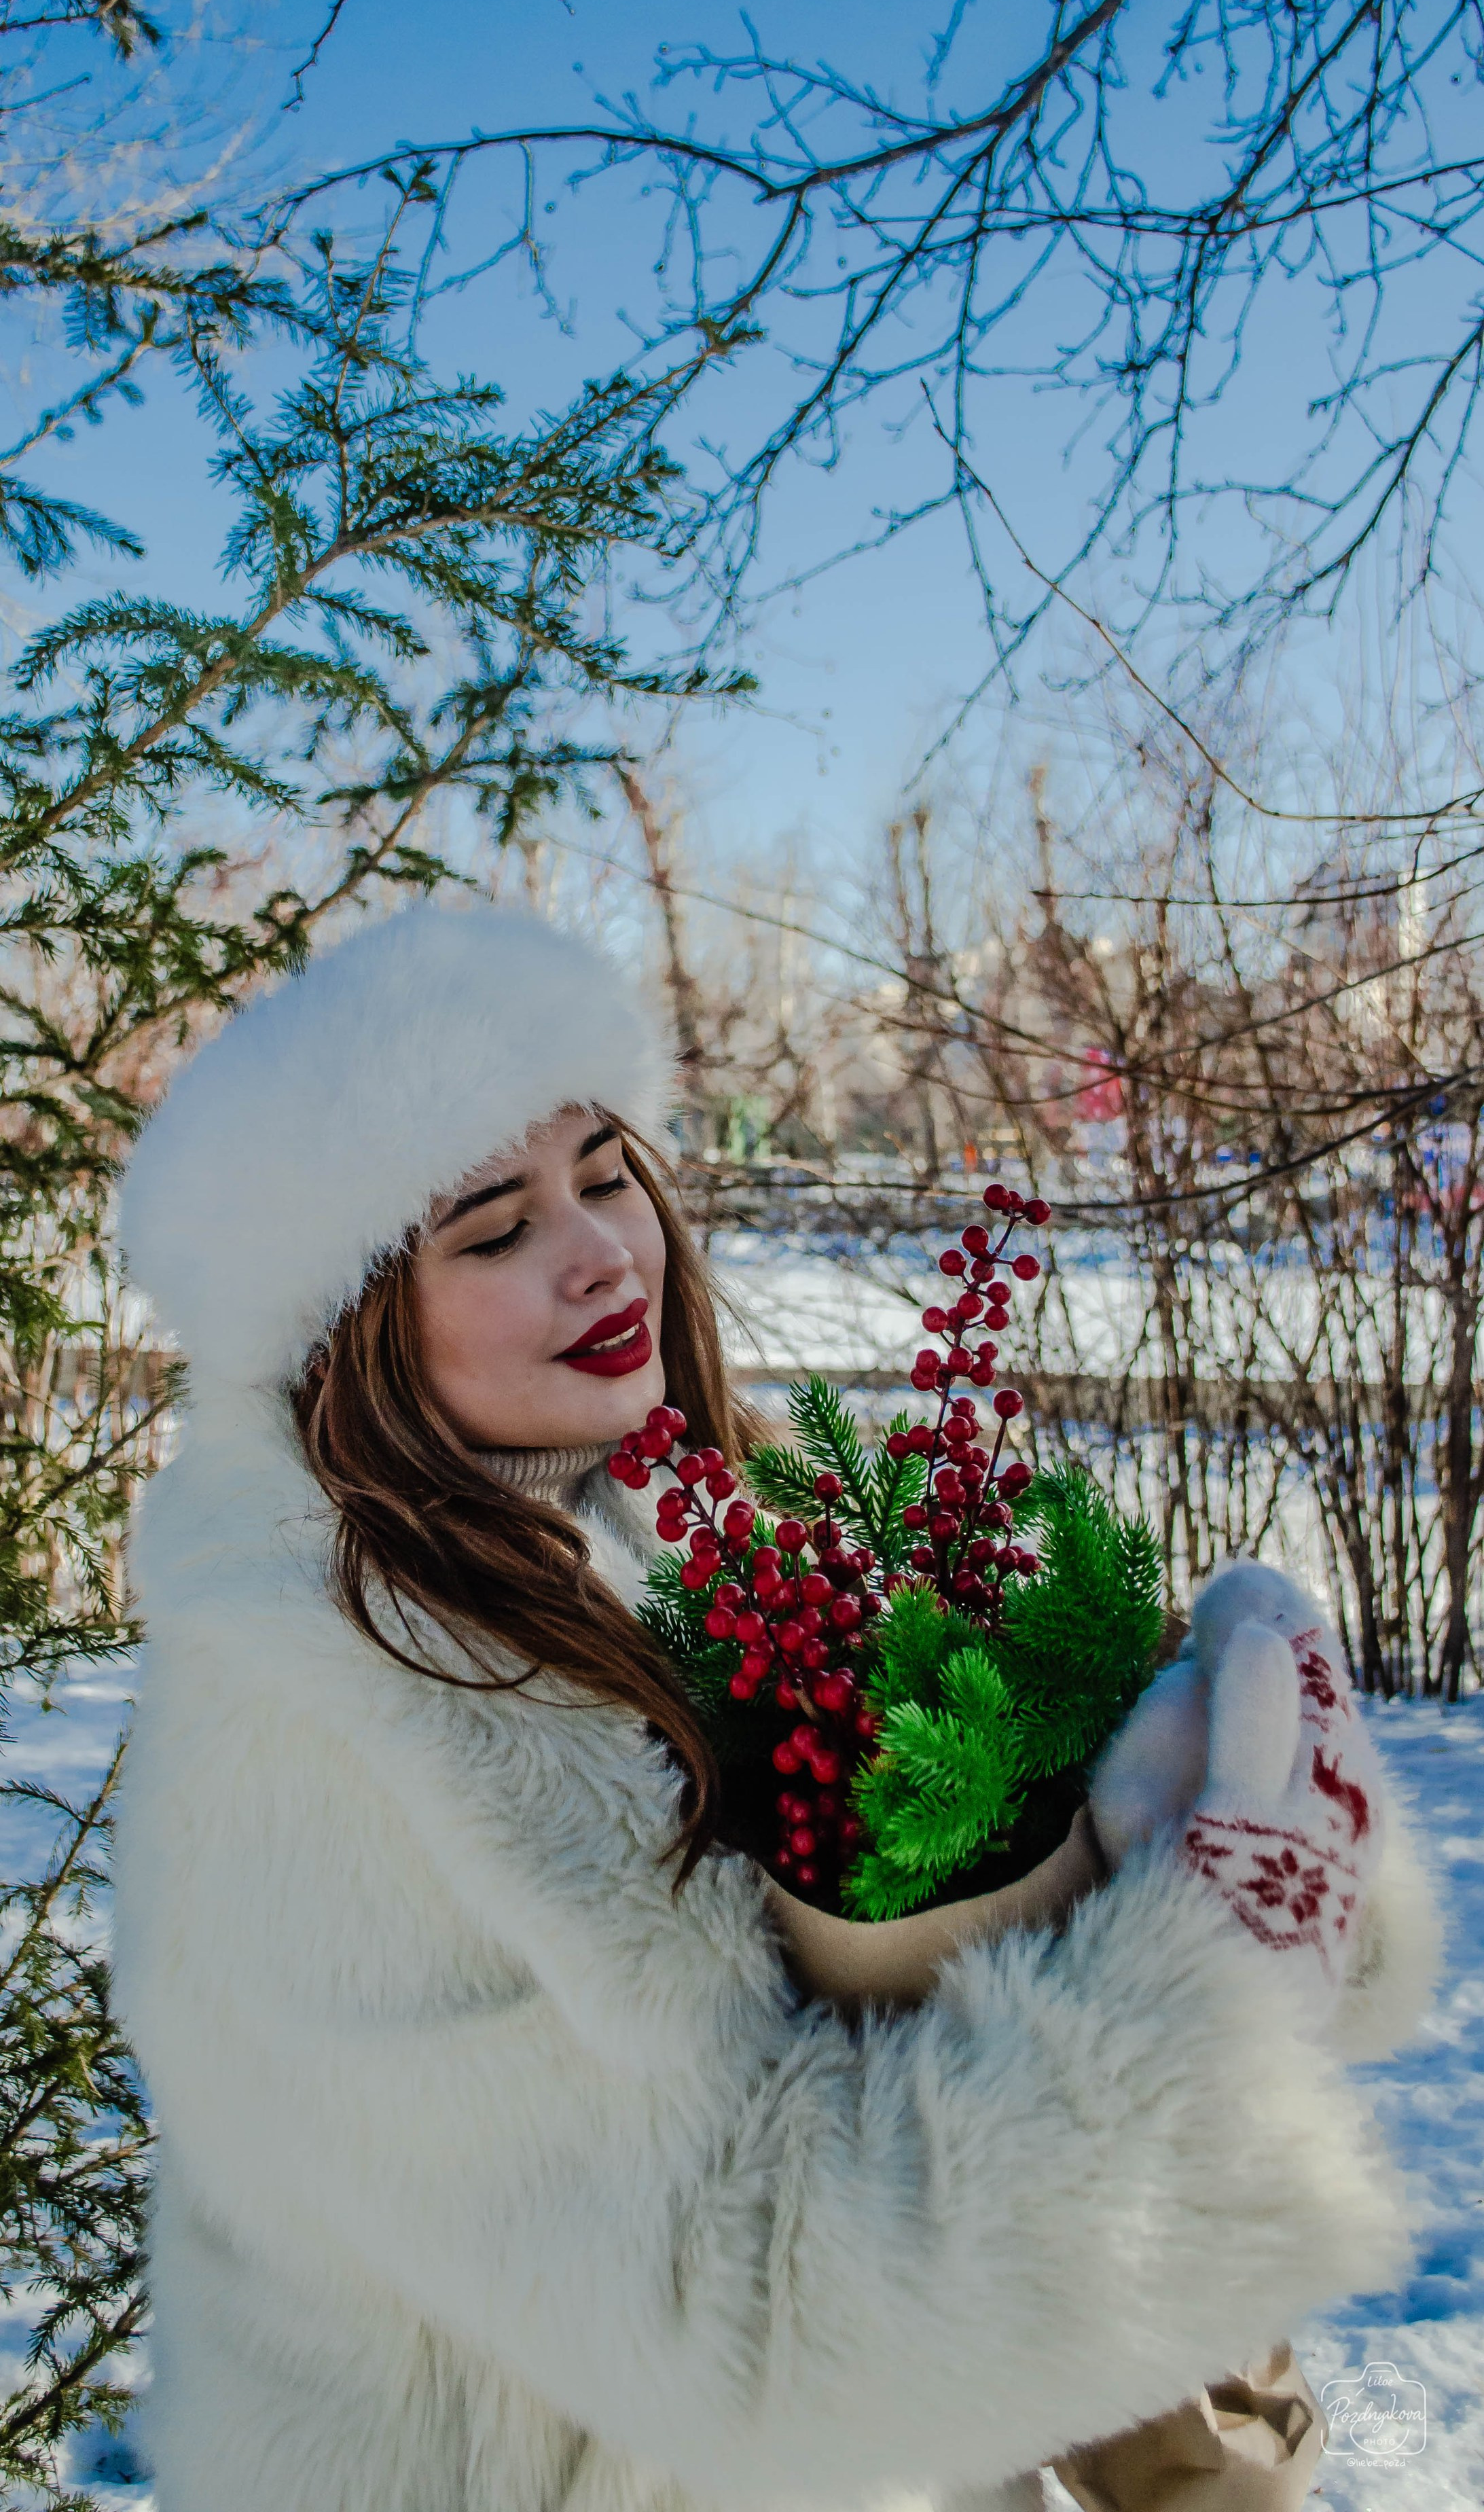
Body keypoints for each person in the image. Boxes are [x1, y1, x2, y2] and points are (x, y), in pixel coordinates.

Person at [115, 902, 1440, 2512]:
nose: (600, 1248)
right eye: (490, 1226)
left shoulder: (736, 1513)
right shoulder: (326, 1715)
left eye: (605, 1174)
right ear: (348, 1328)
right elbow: (739, 2314)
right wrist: (1197, 1973)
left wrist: (1224, 1804)